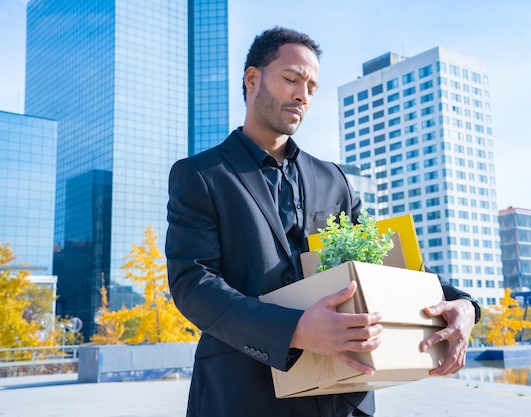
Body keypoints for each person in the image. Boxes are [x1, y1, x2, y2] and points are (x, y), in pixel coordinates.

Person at [166, 27, 481, 417]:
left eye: (312, 87)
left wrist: (461, 303)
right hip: (242, 394)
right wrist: (294, 330)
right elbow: (193, 284)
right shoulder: (200, 174)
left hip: (343, 398)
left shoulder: (335, 179)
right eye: (291, 79)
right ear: (252, 79)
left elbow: (382, 258)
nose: (303, 95)